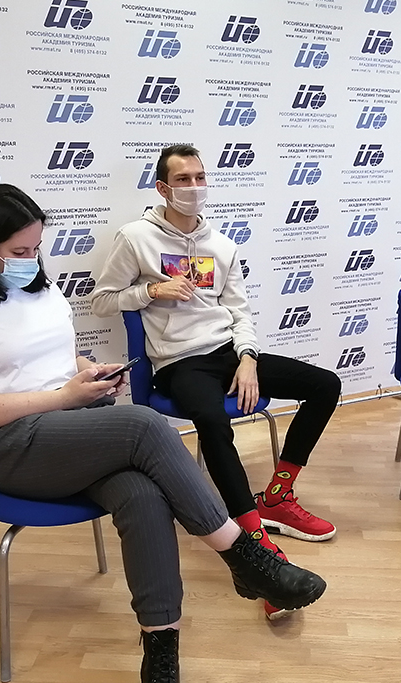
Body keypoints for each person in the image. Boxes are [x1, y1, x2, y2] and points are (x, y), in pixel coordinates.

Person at [0, 184, 327, 683]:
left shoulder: (40, 291)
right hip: (10, 447)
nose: (31, 260)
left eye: (36, 248)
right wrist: (64, 397)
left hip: (67, 433)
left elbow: (54, 359)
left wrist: (88, 373)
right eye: (19, 252)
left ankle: (161, 652)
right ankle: (245, 557)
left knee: (142, 494)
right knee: (144, 423)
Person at [92, 144, 342, 619]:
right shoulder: (135, 237)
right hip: (179, 362)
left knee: (325, 385)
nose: (193, 187)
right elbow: (102, 300)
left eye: (199, 177)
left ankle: (277, 496)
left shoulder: (222, 245)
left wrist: (248, 358)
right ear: (162, 188)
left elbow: (239, 312)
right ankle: (256, 545)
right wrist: (151, 290)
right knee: (211, 418)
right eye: (182, 179)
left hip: (228, 353)